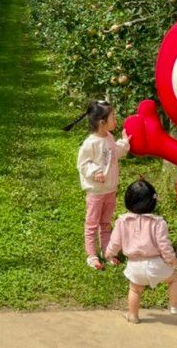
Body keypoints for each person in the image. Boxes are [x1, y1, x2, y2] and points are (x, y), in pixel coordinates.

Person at [105, 179, 177, 324]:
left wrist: (109, 254)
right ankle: (174, 307)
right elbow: (164, 245)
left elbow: (115, 243)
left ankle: (133, 315)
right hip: (156, 264)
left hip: (134, 266)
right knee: (174, 279)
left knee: (135, 290)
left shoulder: (122, 221)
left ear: (128, 201)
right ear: (153, 202)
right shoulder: (158, 222)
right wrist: (172, 260)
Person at [67, 100, 130, 270]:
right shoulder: (90, 143)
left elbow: (115, 152)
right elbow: (83, 163)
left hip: (110, 189)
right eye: (113, 117)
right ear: (103, 122)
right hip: (96, 191)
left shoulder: (109, 138)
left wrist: (124, 143)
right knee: (92, 223)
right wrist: (95, 171)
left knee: (106, 222)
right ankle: (92, 255)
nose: (116, 120)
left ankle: (107, 252)